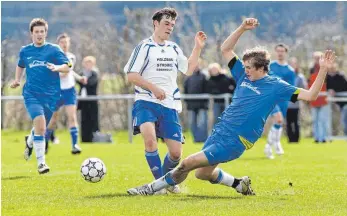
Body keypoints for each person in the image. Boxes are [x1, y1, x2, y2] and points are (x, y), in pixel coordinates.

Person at [126, 18, 335, 196]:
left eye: (249, 68)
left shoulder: (276, 86)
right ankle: (239, 183)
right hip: (220, 131)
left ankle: (151, 188)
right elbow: (225, 48)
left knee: (188, 162)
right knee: (202, 173)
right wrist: (242, 28)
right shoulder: (244, 75)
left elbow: (311, 95)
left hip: (237, 139)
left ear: (262, 68)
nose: (246, 71)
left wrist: (323, 69)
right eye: (244, 67)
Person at [124, 7, 207, 194]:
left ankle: (164, 183)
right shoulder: (144, 47)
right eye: (166, 23)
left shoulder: (174, 48)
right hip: (145, 101)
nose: (169, 27)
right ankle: (159, 185)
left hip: (169, 104)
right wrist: (153, 88)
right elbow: (131, 75)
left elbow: (188, 69)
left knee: (176, 153)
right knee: (150, 141)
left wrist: (197, 48)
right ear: (156, 23)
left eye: (172, 25)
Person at [10, 18, 71, 174]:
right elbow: (20, 64)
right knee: (42, 126)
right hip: (31, 94)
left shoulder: (53, 49)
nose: (39, 34)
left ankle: (30, 141)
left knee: (40, 128)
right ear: (31, 33)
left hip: (51, 97)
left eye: (42, 31)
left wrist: (57, 67)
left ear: (45, 33)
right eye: (36, 32)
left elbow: (68, 66)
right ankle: (41, 163)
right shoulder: (25, 51)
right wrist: (17, 79)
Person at [43, 33, 87, 154]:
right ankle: (45, 142)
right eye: (62, 42)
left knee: (72, 117)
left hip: (69, 91)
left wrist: (79, 78)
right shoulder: (52, 58)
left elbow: (67, 71)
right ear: (58, 44)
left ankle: (75, 145)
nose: (65, 45)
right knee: (53, 120)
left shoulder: (71, 57)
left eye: (66, 42)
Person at [264, 43, 296, 159]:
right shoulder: (270, 66)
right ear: (275, 52)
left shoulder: (290, 70)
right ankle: (272, 145)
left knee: (279, 122)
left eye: (282, 51)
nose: (280, 53)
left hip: (283, 100)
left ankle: (272, 144)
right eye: (278, 51)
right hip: (271, 99)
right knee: (278, 119)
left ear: (286, 53)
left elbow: (291, 87)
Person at [184, 64, 208, 143]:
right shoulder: (188, 78)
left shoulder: (203, 76)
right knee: (192, 123)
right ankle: (196, 139)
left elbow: (206, 89)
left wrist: (205, 102)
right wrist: (187, 102)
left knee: (202, 122)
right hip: (191, 105)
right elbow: (185, 90)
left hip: (202, 105)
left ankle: (203, 139)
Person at [77, 56, 100, 142]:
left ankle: (94, 138)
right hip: (83, 101)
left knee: (93, 119)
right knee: (84, 120)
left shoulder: (95, 73)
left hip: (92, 100)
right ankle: (85, 138)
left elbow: (92, 82)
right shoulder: (81, 73)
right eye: (86, 63)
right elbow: (78, 81)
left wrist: (84, 81)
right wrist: (82, 80)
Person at [309, 51, 329, 143]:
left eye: (318, 58)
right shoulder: (311, 69)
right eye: (315, 58)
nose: (317, 60)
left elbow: (329, 83)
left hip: (323, 98)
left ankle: (323, 137)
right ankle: (317, 138)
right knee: (315, 120)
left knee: (323, 119)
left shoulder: (325, 68)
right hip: (314, 98)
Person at [286, 57, 308, 143]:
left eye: (293, 64)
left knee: (295, 122)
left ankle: (296, 138)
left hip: (295, 104)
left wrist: (294, 97)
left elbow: (303, 88)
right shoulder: (286, 76)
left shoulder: (300, 76)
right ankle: (290, 138)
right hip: (286, 104)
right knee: (288, 122)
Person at [326, 62, 347, 136]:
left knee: (344, 120)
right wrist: (329, 90)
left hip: (343, 102)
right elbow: (325, 87)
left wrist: (335, 91)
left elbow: (344, 87)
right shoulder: (327, 77)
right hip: (332, 102)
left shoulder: (340, 76)